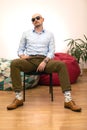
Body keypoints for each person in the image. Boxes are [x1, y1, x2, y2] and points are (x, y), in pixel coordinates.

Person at [7, 13, 81, 112]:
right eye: (33, 19)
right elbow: (20, 49)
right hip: (30, 61)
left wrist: (45, 61)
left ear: (42, 19)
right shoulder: (26, 33)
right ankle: (18, 98)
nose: (35, 20)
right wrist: (22, 56)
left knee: (61, 65)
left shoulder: (49, 34)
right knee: (14, 63)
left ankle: (68, 100)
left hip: (45, 60)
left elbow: (51, 51)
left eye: (37, 18)